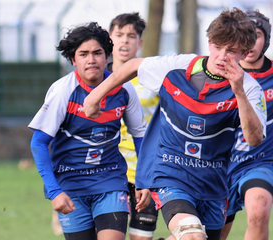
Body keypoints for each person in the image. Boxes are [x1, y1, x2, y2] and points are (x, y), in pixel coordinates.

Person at [82, 8, 266, 240]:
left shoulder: (249, 89)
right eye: (218, 48)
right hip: (172, 173)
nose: (222, 57)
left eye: (232, 51)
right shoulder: (179, 67)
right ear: (209, 43)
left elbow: (254, 138)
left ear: (245, 54)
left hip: (213, 184)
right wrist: (94, 96)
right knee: (191, 235)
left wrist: (238, 91)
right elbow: (133, 66)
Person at [29, 22, 147, 240]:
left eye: (97, 53)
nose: (91, 59)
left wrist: (144, 180)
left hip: (110, 180)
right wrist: (55, 191)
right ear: (73, 60)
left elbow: (140, 136)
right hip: (71, 185)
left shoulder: (125, 89)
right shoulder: (62, 91)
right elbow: (38, 142)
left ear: (108, 56)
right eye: (83, 54)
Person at [108, 13, 161, 240]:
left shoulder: (154, 78)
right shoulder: (97, 78)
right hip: (109, 173)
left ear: (139, 43)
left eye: (131, 36)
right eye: (119, 35)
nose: (124, 41)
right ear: (110, 39)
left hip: (146, 172)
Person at [221, 10, 273, 240]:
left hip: (260, 163)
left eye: (258, 34)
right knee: (207, 233)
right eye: (246, 35)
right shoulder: (216, 72)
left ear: (267, 40)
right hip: (218, 166)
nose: (251, 41)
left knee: (259, 210)